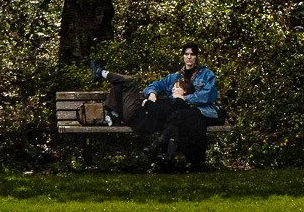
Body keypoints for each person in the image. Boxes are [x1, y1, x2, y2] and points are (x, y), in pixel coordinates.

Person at [90, 45, 220, 169]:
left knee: (130, 83)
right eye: (186, 54)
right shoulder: (174, 77)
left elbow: (208, 95)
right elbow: (154, 86)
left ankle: (101, 73)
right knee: (121, 84)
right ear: (183, 56)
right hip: (162, 114)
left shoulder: (206, 74)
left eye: (192, 54)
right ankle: (113, 113)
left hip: (195, 112)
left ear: (197, 56)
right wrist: (152, 94)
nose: (189, 57)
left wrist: (182, 98)